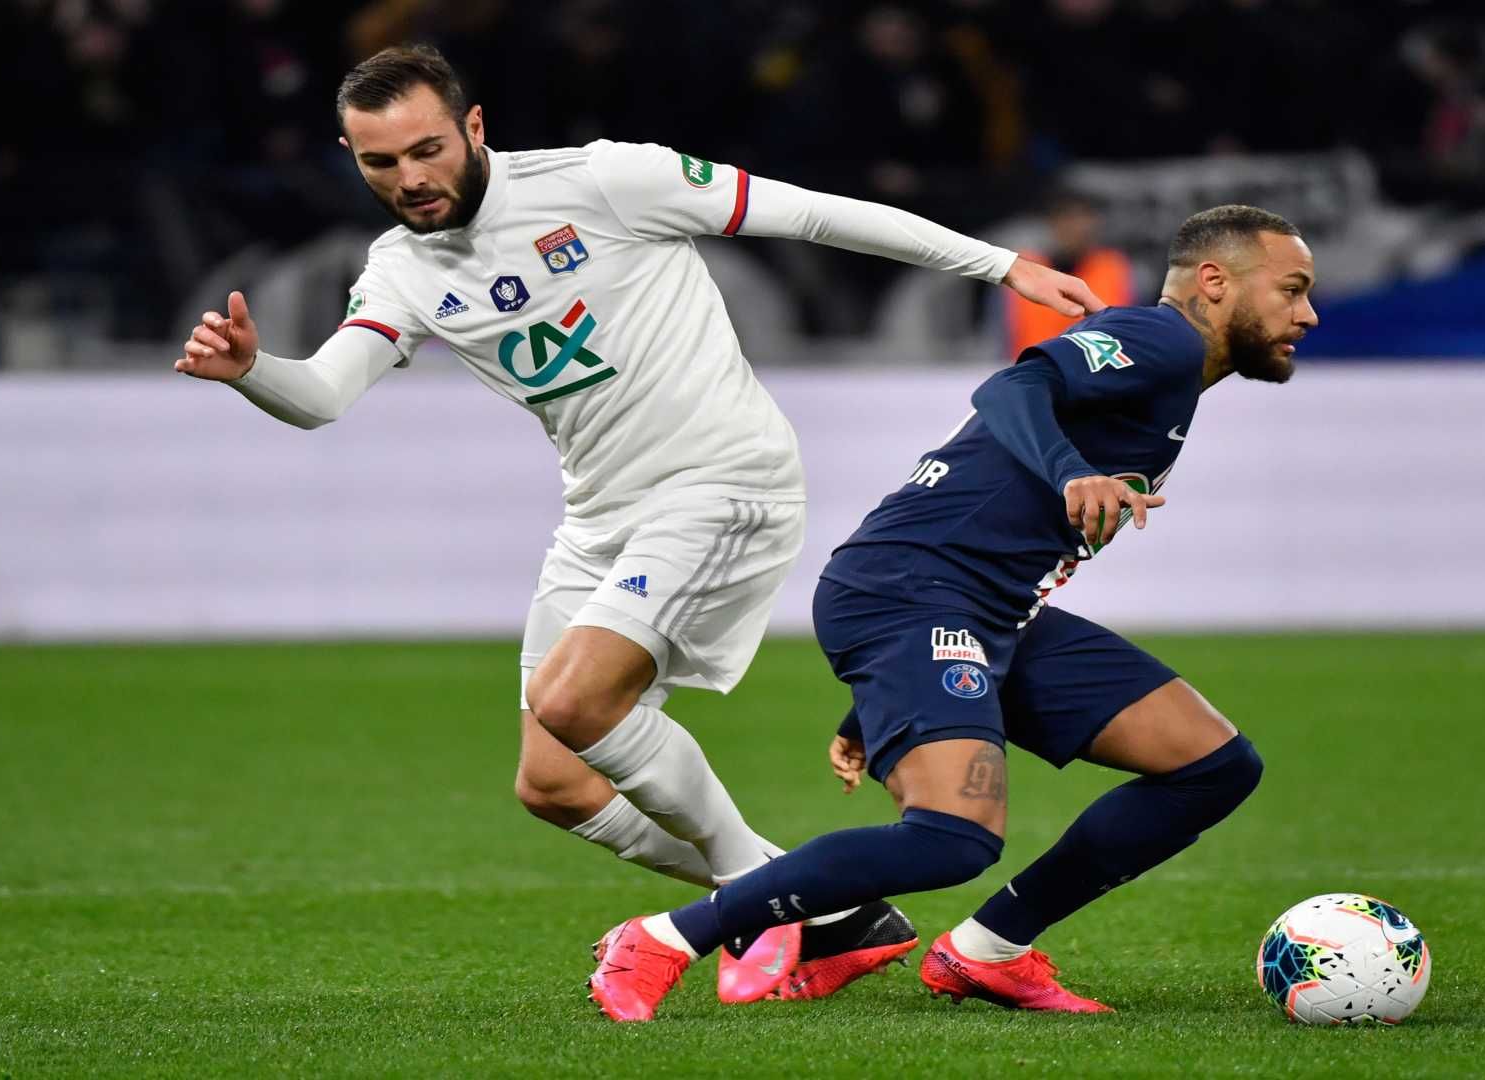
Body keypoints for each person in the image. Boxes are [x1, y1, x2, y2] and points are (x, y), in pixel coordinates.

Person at [174, 43, 1102, 1003]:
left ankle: (763, 903)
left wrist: (1001, 265)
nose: (410, 179)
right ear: (349, 156)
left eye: (428, 149)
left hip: (722, 478)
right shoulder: (401, 269)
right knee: (552, 780)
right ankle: (818, 904)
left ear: (475, 127)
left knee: (577, 706)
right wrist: (252, 369)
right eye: (381, 163)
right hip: (602, 512)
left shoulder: (610, 180)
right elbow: (325, 394)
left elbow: (814, 212)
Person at [587, 205, 1315, 1021]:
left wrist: (875, 702)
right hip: (913, 591)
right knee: (950, 838)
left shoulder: (1171, 378)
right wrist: (1073, 472)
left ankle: (988, 952)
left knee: (1212, 765)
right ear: (1214, 282)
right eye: (1291, 290)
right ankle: (664, 937)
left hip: (977, 609)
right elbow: (1014, 384)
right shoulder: (1162, 341)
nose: (1307, 314)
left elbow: (991, 517)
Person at [1002, 189, 1137, 362]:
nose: (1076, 228)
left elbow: (1135, 331)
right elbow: (999, 335)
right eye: (1068, 219)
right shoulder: (1022, 269)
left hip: (1100, 376)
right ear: (1052, 223)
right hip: (1032, 374)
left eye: (1083, 219)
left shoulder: (1116, 269)